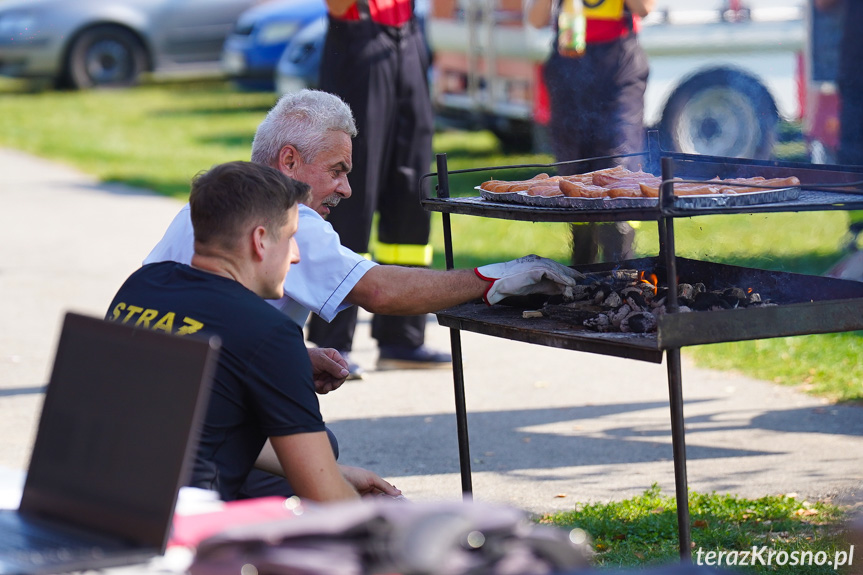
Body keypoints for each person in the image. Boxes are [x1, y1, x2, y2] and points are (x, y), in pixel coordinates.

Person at [144, 90, 582, 381]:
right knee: (321, 450)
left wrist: (295, 360)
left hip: (162, 381)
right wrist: (497, 277)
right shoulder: (289, 216)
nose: (346, 189)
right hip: (198, 407)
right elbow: (380, 292)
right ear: (290, 161)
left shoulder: (204, 205)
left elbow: (212, 333)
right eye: (337, 171)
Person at [108, 161, 398, 502]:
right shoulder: (269, 332)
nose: (294, 256)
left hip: (85, 496)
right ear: (260, 240)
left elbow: (175, 416)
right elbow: (327, 498)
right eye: (290, 237)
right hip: (171, 522)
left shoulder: (142, 284)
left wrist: (340, 475)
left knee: (322, 450)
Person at [310, 0, 441, 377]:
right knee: (351, 189)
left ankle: (402, 337)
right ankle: (332, 342)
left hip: (409, 35)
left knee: (411, 188)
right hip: (357, 37)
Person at [526, 0, 654, 266]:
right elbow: (536, 20)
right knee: (574, 174)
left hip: (618, 67)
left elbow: (644, 8)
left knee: (617, 172)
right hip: (569, 65)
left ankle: (620, 275)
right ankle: (583, 276)